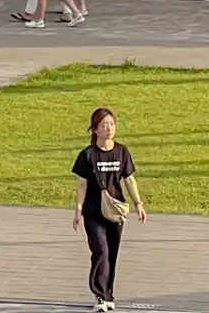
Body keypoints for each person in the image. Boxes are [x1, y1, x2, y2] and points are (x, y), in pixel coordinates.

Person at [72, 105, 146, 313]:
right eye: (104, 125)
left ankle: (108, 295)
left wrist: (138, 204)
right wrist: (78, 210)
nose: (109, 128)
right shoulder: (87, 155)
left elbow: (129, 179)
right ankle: (99, 295)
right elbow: (82, 185)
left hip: (116, 211)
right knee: (101, 252)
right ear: (95, 129)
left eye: (112, 124)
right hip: (94, 211)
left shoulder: (122, 151)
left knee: (111, 253)